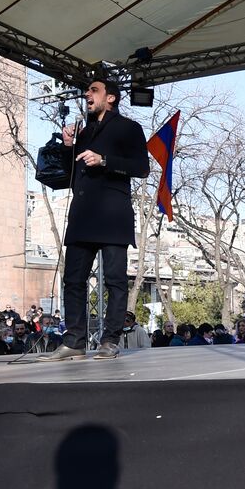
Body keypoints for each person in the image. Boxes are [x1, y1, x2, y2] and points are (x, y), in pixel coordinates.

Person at [36, 77, 149, 362]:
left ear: (110, 97)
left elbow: (142, 168)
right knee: (73, 279)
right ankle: (74, 340)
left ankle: (110, 340)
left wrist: (105, 160)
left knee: (114, 280)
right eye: (87, 91)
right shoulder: (84, 132)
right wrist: (67, 145)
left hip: (112, 214)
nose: (87, 94)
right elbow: (68, 172)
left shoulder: (129, 128)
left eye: (94, 90)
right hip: (83, 214)